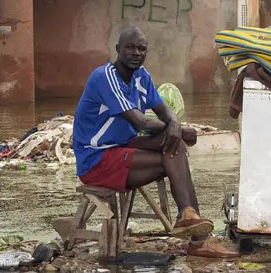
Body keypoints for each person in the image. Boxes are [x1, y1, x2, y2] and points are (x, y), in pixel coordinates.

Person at [73, 27, 238, 258]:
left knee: (174, 146)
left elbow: (163, 110)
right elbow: (140, 122)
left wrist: (174, 125)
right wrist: (178, 130)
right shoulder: (104, 77)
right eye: (130, 47)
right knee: (173, 156)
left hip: (124, 145)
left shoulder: (142, 76)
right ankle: (198, 239)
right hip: (96, 159)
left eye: (141, 49)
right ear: (118, 50)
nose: (136, 53)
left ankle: (188, 215)